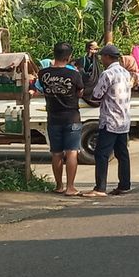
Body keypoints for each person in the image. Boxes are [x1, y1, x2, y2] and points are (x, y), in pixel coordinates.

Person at [83, 44, 132, 197]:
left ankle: (100, 188)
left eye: (102, 56)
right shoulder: (125, 72)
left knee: (101, 154)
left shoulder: (108, 74)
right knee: (122, 154)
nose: (101, 60)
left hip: (110, 119)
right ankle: (124, 185)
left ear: (107, 57)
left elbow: (97, 95)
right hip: (123, 119)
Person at [37, 42, 84, 196]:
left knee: (56, 153)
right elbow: (80, 92)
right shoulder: (74, 74)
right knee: (71, 152)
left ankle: (59, 186)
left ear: (54, 54)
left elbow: (40, 89)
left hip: (53, 118)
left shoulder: (43, 74)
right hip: (72, 118)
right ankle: (70, 187)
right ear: (69, 57)